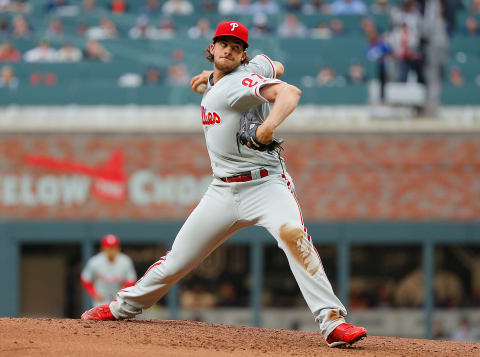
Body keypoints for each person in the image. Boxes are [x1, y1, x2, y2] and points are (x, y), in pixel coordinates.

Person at [81, 20, 367, 349]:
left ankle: (332, 322)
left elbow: (290, 92)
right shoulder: (241, 72)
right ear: (212, 48)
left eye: (236, 46)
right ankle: (121, 308)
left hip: (266, 186)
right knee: (178, 259)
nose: (229, 49)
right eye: (224, 44)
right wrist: (210, 78)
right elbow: (277, 64)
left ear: (243, 54)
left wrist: (267, 127)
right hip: (223, 190)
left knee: (294, 235)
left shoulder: (237, 84)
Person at [81, 234, 137, 307]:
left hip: (119, 298)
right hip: (101, 299)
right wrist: (94, 294)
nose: (111, 250)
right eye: (108, 247)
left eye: (113, 247)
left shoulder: (125, 261)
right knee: (100, 317)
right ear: (103, 248)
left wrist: (122, 294)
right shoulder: (95, 261)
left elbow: (131, 280)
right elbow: (85, 279)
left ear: (118, 248)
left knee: (120, 317)